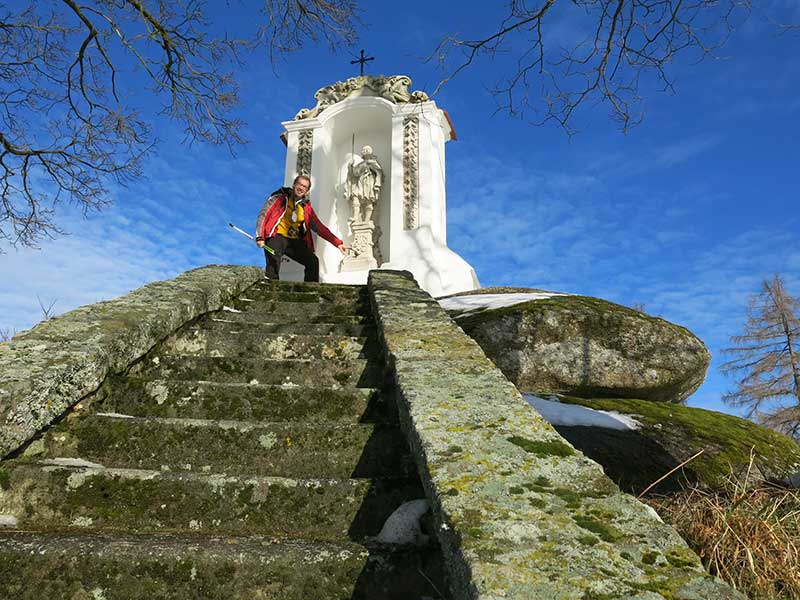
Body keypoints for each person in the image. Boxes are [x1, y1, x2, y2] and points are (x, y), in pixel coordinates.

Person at [254, 175, 347, 281]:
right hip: (276, 236)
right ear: (294, 185)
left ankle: (311, 290)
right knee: (273, 263)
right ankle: (270, 288)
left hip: (293, 241)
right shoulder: (279, 198)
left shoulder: (306, 208)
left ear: (307, 191)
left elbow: (320, 228)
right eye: (299, 184)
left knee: (313, 261)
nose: (301, 188)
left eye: (305, 187)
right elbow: (263, 215)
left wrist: (337, 243)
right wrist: (260, 237)